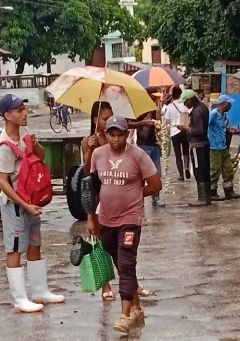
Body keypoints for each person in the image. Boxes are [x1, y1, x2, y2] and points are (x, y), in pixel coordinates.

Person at [88, 116, 162, 335]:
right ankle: (137, 308)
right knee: (120, 262)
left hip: (130, 218)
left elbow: (155, 184)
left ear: (127, 134)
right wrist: (91, 218)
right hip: (106, 219)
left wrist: (136, 196)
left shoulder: (138, 155)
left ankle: (125, 314)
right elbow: (92, 188)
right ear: (106, 134)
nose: (116, 139)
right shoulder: (98, 154)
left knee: (127, 261)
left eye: (120, 134)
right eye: (112, 134)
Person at [0, 94, 65, 313]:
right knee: (15, 248)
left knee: (35, 243)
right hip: (15, 204)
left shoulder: (23, 133)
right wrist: (23, 205)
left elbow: (40, 156)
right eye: (19, 110)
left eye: (25, 109)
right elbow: (2, 181)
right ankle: (20, 298)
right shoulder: (4, 145)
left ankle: (39, 290)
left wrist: (34, 144)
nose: (25, 113)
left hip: (31, 200)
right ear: (7, 115)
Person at [82, 102, 153, 301]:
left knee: (125, 253)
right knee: (104, 247)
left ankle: (131, 286)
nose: (109, 121)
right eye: (105, 118)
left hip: (125, 209)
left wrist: (134, 194)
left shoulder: (126, 146)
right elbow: (88, 174)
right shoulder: (90, 142)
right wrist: (90, 150)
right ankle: (106, 284)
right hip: (99, 201)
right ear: (96, 120)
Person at [129, 91, 165, 208]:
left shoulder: (156, 110)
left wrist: (158, 125)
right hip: (143, 146)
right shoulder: (140, 111)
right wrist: (131, 136)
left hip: (154, 145)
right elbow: (133, 124)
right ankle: (139, 198)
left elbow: (160, 127)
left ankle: (156, 198)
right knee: (141, 174)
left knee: (156, 173)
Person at [177, 90, 211, 206]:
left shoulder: (197, 111)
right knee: (205, 171)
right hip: (204, 144)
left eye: (186, 102)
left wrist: (186, 128)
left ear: (191, 100)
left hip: (198, 146)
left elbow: (200, 130)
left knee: (199, 171)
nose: (185, 105)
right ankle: (207, 197)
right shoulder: (203, 108)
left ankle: (202, 198)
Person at [208, 95, 240, 201]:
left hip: (223, 146)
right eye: (229, 104)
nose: (231, 106)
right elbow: (206, 127)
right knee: (214, 170)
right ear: (224, 104)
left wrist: (228, 130)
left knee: (228, 169)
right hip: (214, 147)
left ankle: (229, 191)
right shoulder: (213, 114)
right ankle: (212, 192)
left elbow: (221, 128)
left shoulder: (224, 115)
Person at [164, 86, 190, 181]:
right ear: (180, 95)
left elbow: (167, 122)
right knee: (186, 151)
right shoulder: (184, 105)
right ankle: (187, 167)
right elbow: (188, 117)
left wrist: (166, 133)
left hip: (174, 132)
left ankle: (181, 174)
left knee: (177, 154)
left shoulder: (170, 107)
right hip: (184, 131)